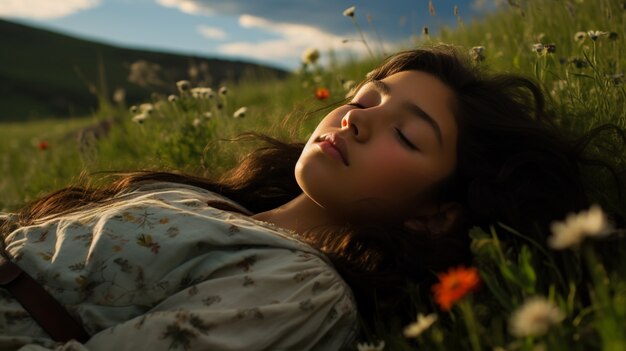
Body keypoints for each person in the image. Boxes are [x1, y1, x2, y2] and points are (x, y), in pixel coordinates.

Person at [0, 45, 620, 350]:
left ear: (435, 215)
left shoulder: (304, 293)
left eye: (404, 133)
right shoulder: (211, 203)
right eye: (365, 96)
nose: (355, 118)